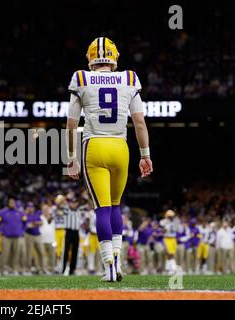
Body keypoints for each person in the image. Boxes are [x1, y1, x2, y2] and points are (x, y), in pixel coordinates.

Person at [66, 37, 153, 282]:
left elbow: (72, 124)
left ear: (91, 57)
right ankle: (117, 261)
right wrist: (145, 155)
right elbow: (139, 122)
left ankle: (108, 266)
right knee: (115, 207)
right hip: (120, 147)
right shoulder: (129, 78)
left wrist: (71, 158)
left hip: (94, 145)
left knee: (102, 209)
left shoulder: (81, 78)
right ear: (114, 57)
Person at [0, 197, 27, 275]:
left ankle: (14, 269)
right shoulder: (2, 212)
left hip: (17, 236)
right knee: (4, 253)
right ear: (8, 203)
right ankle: (1, 270)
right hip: (6, 237)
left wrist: (22, 231)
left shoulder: (20, 213)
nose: (12, 204)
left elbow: (25, 222)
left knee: (16, 254)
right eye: (10, 203)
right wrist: (0, 231)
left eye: (13, 203)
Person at [62, 197, 82, 276]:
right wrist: (66, 198)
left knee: (75, 252)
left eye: (75, 203)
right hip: (68, 232)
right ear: (70, 203)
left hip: (76, 233)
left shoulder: (79, 211)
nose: (74, 204)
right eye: (72, 203)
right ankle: (63, 269)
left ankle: (72, 270)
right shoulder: (67, 210)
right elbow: (61, 205)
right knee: (66, 251)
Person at [25, 202, 45, 274]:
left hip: (38, 235)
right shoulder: (25, 215)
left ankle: (41, 268)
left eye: (32, 207)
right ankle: (28, 269)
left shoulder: (36, 214)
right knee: (28, 253)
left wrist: (36, 223)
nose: (31, 209)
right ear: (27, 208)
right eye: (29, 207)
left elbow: (41, 223)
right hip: (29, 235)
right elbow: (27, 226)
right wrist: (34, 223)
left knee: (41, 252)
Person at [39, 204, 55, 274]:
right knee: (42, 256)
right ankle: (43, 269)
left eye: (46, 209)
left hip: (51, 240)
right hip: (42, 240)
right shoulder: (40, 218)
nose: (45, 211)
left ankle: (51, 269)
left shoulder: (52, 218)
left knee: (52, 256)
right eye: (44, 209)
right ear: (42, 211)